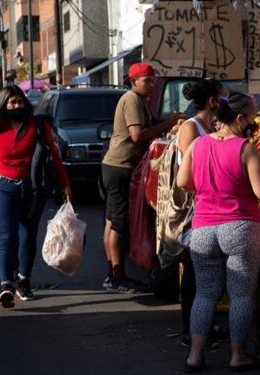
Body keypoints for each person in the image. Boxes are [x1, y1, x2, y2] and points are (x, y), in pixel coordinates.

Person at [176, 92, 260, 372]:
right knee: (241, 295)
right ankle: (237, 355)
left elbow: (183, 182)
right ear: (242, 119)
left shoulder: (197, 143)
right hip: (241, 227)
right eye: (254, 118)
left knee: (205, 294)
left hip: (204, 230)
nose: (255, 123)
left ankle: (195, 356)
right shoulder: (245, 148)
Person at [0, 85, 72, 308]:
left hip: (32, 189)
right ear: (4, 105)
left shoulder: (38, 125)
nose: (16, 106)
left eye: (20, 102)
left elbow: (54, 155)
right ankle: (6, 286)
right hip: (2, 187)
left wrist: (65, 184)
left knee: (27, 236)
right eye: (12, 103)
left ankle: (23, 280)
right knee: (7, 238)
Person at [101, 62, 184, 293]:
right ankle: (117, 278)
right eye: (147, 80)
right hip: (120, 167)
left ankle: (112, 275)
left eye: (153, 79)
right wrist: (168, 123)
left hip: (116, 167)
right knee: (118, 222)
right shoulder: (131, 100)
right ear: (134, 81)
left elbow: (152, 125)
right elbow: (138, 136)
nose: (151, 84)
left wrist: (170, 119)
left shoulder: (141, 102)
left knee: (112, 220)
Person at [174, 79, 229, 348]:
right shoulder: (190, 128)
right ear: (213, 102)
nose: (226, 103)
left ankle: (205, 325)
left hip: (210, 207)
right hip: (195, 211)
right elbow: (191, 171)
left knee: (208, 276)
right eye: (224, 98)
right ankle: (190, 330)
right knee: (195, 276)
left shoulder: (208, 127)